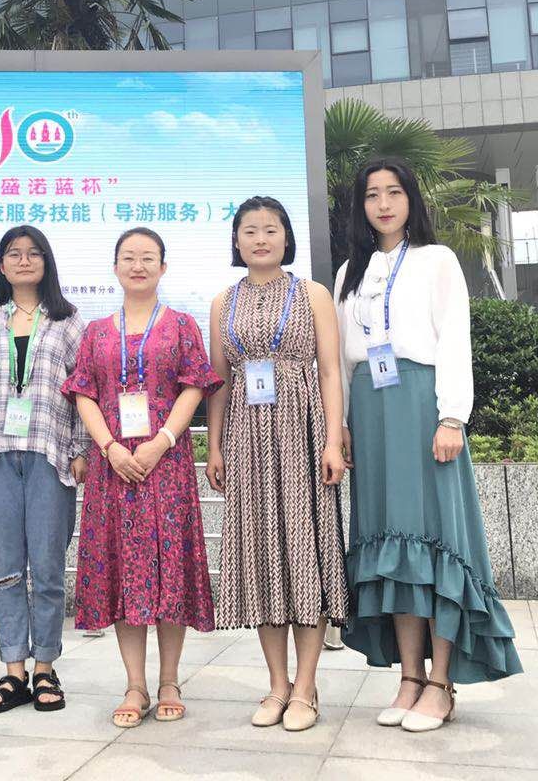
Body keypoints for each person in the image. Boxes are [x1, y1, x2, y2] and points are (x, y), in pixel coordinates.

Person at [336, 157, 521, 733]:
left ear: (411, 199)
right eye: (372, 195)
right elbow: (341, 359)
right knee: (390, 545)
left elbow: (454, 339)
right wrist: (342, 424)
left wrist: (452, 417)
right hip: (369, 410)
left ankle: (441, 682)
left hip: (421, 404)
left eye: (393, 192)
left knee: (435, 537)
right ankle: (409, 678)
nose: (383, 204)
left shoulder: (436, 260)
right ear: (360, 206)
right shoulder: (348, 273)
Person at [63, 227, 221, 729]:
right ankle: (135, 683)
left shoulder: (181, 324)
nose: (138, 265)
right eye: (129, 257)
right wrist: (109, 446)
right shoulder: (96, 331)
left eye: (148, 257)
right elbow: (84, 392)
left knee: (169, 568)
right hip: (113, 469)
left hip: (166, 465)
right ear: (115, 267)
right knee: (121, 571)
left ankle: (169, 680)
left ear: (163, 267)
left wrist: (163, 441)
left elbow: (195, 386)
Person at [206, 196, 349, 732]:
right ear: (236, 241)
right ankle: (277, 685)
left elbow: (330, 371)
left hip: (302, 431)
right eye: (250, 230)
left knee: (305, 552)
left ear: (287, 237)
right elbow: (218, 381)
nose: (260, 238)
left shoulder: (312, 294)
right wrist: (214, 446)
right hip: (246, 437)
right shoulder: (222, 302)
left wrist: (332, 441)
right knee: (262, 555)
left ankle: (306, 688)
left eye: (271, 229)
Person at [0, 226, 89, 714]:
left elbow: (82, 391)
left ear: (46, 262)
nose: (23, 260)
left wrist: (80, 447)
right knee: (6, 569)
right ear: (1, 265)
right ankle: (13, 669)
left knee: (49, 567)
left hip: (50, 453)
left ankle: (45, 668)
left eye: (33, 253)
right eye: (13, 254)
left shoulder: (69, 321)